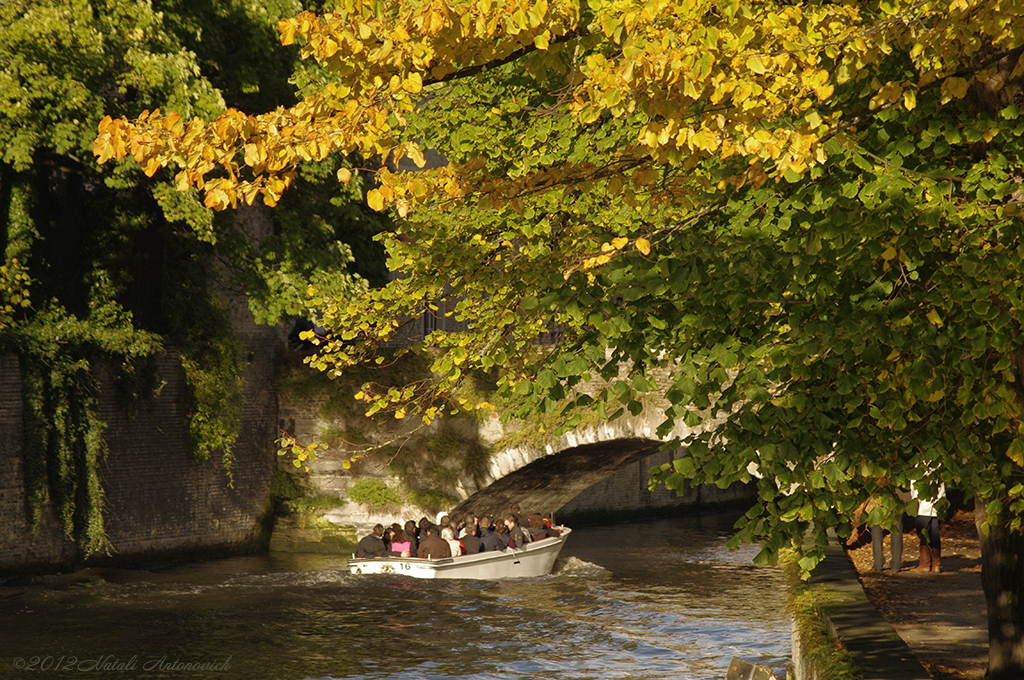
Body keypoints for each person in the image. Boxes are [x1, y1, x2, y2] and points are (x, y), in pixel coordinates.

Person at [911, 477, 945, 573]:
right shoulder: (938, 465)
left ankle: (925, 564)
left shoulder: (919, 467)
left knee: (924, 535)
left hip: (922, 507)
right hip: (936, 506)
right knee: (934, 535)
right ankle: (936, 565)